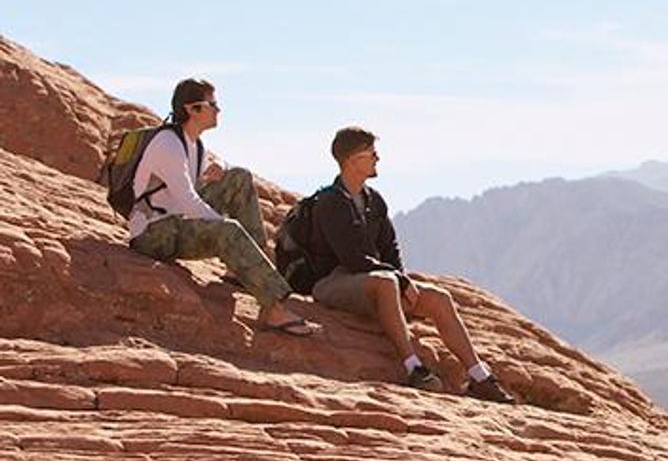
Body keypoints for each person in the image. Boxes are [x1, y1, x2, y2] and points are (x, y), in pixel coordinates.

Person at [308, 126, 514, 403]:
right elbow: (352, 259)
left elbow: (390, 248)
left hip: (370, 281)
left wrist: (400, 278)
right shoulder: (330, 202)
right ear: (352, 160)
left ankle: (480, 376)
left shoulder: (373, 200)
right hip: (332, 282)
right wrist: (397, 279)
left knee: (439, 298)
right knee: (387, 283)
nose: (377, 158)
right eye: (371, 154)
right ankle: (413, 367)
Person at [128, 78, 318, 336]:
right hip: (153, 234)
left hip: (174, 222)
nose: (218, 110)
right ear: (192, 109)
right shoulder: (168, 144)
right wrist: (227, 229)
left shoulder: (193, 144)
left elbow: (210, 177)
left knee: (239, 178)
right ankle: (274, 309)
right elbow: (188, 201)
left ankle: (241, 271)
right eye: (212, 104)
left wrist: (222, 168)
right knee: (228, 230)